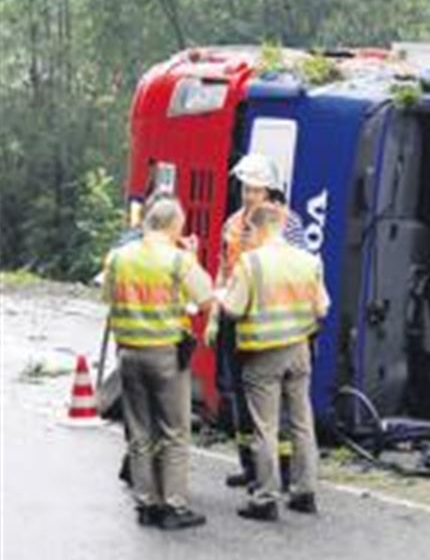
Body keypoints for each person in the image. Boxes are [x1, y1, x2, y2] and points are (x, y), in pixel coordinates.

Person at [102, 198, 213, 530]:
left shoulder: (118, 258)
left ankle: (146, 503)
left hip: (129, 354)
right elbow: (206, 298)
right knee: (174, 431)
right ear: (174, 226)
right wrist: (191, 255)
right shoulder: (178, 260)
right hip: (164, 353)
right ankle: (173, 506)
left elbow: (108, 298)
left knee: (139, 430)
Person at [220, 203, 329, 521]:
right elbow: (322, 308)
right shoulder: (310, 261)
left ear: (255, 229)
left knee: (265, 426)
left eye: (248, 232)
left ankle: (265, 497)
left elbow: (234, 309)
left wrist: (223, 297)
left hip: (263, 353)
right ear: (280, 226)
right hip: (299, 350)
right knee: (301, 422)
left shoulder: (250, 263)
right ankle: (305, 492)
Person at [209, 153, 305, 491]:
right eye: (245, 189)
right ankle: (250, 467)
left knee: (271, 401)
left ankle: (281, 471)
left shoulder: (287, 224)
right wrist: (214, 311)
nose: (248, 196)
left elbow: (299, 267)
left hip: (269, 318)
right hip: (235, 314)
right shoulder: (232, 224)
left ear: (270, 192)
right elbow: (223, 268)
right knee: (237, 394)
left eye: (255, 190)